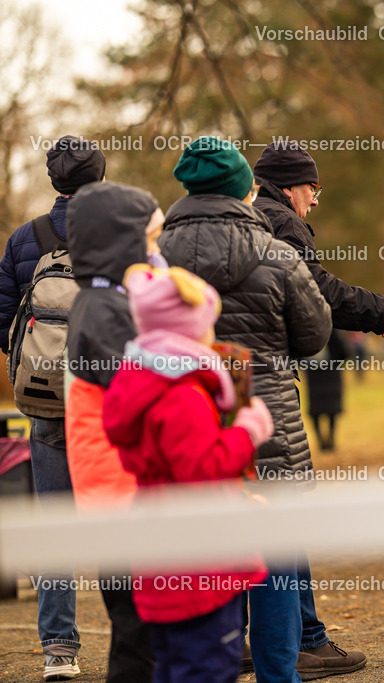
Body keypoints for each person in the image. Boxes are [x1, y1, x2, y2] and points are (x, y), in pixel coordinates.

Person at [157, 137, 336, 681]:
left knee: (202, 547)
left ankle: (218, 660)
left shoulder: (153, 258)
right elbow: (315, 334)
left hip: (185, 425)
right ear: (244, 187)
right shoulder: (275, 253)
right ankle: (280, 672)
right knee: (276, 548)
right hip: (267, 420)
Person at [252, 140, 384, 679]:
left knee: (247, 509)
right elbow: (318, 295)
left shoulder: (231, 223)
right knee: (283, 511)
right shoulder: (282, 224)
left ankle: (257, 639)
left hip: (222, 388)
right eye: (312, 187)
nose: (316, 200)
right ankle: (304, 639)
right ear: (289, 185)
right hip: (267, 386)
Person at [103, 265, 274, 683]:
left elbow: (175, 470)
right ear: (187, 332)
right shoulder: (182, 395)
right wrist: (247, 433)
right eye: (206, 328)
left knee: (172, 667)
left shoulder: (145, 384)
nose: (212, 338)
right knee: (208, 669)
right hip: (201, 567)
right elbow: (201, 470)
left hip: (161, 559)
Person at [0, 135, 106, 681]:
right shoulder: (121, 237)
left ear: (53, 181)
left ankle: (59, 651)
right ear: (100, 178)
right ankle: (136, 641)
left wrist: (34, 366)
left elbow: (3, 320)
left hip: (46, 406)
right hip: (110, 405)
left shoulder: (26, 239)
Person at [66, 181, 162, 682]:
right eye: (151, 239)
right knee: (137, 633)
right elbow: (141, 389)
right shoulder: (102, 312)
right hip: (119, 498)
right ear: (120, 243)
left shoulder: (105, 302)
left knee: (141, 630)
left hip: (122, 492)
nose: (157, 252)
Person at [303, 330, 350, 452]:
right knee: (331, 410)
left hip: (314, 375)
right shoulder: (331, 329)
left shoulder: (307, 331)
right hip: (331, 374)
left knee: (316, 410)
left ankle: (321, 441)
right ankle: (330, 441)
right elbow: (343, 352)